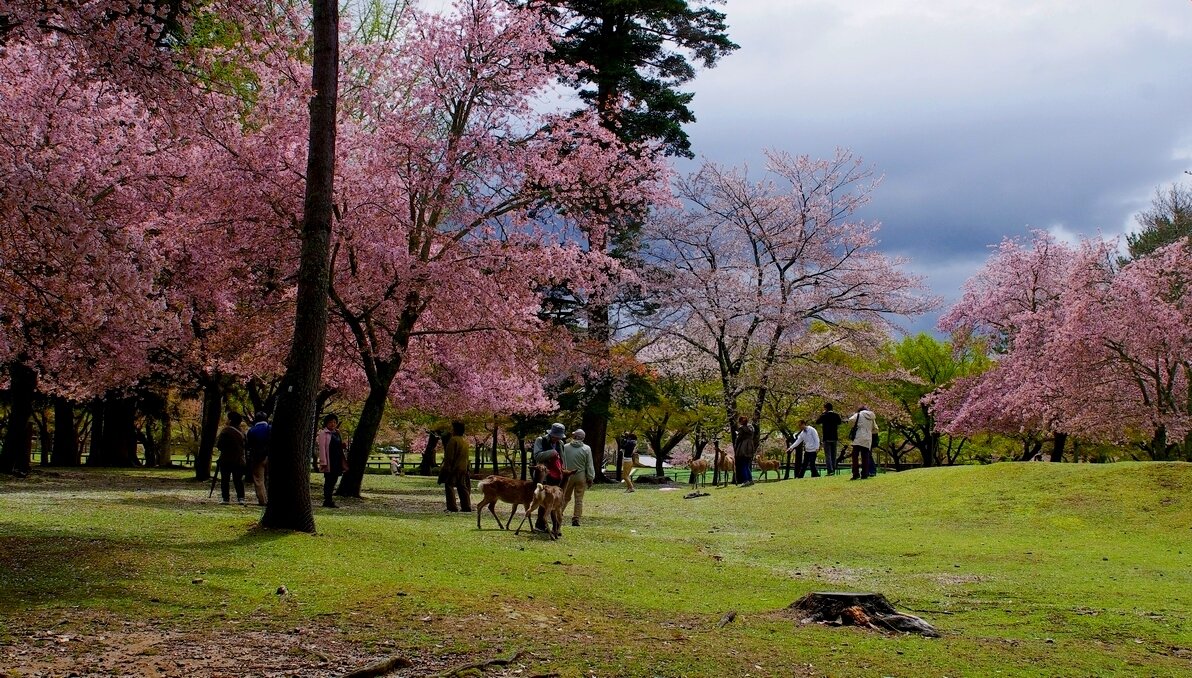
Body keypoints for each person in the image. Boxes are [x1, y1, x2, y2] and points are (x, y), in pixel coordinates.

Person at [531, 423, 566, 529]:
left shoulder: (560, 443)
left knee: (554, 500)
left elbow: (562, 459)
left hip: (556, 475)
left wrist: (563, 471)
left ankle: (554, 526)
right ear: (551, 434)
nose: (557, 438)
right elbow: (537, 456)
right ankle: (540, 524)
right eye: (556, 436)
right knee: (543, 500)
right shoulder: (540, 440)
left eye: (559, 437)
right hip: (543, 475)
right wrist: (551, 452)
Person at [561, 428, 596, 526]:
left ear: (574, 436)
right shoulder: (587, 448)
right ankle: (576, 518)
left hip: (568, 475)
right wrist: (590, 477)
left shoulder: (565, 447)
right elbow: (589, 465)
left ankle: (559, 513)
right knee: (579, 498)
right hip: (581, 476)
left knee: (565, 497)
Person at [438, 421, 472, 513]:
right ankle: (466, 506)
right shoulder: (464, 441)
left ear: (455, 430)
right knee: (462, 486)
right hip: (463, 467)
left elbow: (449, 457)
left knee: (449, 485)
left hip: (454, 468)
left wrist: (446, 469)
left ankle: (452, 506)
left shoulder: (453, 440)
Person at [316, 414, 349, 507]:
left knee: (334, 480)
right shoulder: (323, 433)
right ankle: (327, 500)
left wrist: (342, 445)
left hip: (337, 460)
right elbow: (322, 448)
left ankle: (329, 499)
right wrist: (323, 462)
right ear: (326, 423)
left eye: (334, 422)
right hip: (329, 460)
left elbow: (338, 445)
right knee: (328, 481)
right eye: (330, 422)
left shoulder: (337, 433)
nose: (333, 424)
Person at [215, 412, 246, 504]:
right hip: (239, 459)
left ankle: (226, 498)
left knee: (225, 479)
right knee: (238, 480)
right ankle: (241, 498)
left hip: (226, 459)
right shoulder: (242, 432)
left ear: (230, 420)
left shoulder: (226, 431)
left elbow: (219, 445)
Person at [244, 411, 271, 506]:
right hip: (270, 456)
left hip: (257, 457)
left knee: (259, 480)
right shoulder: (270, 428)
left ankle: (263, 500)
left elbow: (248, 445)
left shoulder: (252, 431)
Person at [846, 406, 877, 480]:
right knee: (865, 457)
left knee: (855, 456)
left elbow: (850, 420)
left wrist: (854, 426)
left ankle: (855, 474)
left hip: (859, 437)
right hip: (868, 438)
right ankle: (865, 474)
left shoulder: (859, 414)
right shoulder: (872, 417)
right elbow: (876, 429)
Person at [815, 403, 843, 476]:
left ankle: (830, 471)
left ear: (825, 408)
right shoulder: (836, 415)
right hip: (834, 437)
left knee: (828, 455)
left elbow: (817, 422)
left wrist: (822, 414)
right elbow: (840, 422)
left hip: (827, 437)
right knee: (834, 455)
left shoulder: (824, 416)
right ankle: (833, 469)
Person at [733, 415, 757, 487]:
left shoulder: (741, 428)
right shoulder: (751, 428)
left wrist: (737, 437)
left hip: (743, 447)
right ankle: (750, 479)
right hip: (750, 446)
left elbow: (739, 438)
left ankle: (746, 480)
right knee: (747, 464)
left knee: (743, 464)